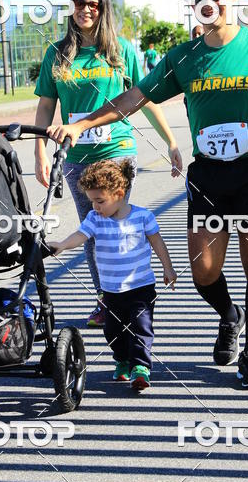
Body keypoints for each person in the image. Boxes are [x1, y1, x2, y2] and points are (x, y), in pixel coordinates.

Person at [48, 0, 248, 390]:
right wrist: (81, 124)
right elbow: (134, 97)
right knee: (203, 272)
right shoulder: (183, 57)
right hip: (208, 174)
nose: (208, 3)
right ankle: (230, 315)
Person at [33, 0, 181, 328]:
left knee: (113, 224)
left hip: (117, 151)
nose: (85, 10)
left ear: (103, 10)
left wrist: (171, 141)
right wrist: (40, 153)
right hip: (76, 156)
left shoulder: (121, 51)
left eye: (93, 4)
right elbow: (45, 106)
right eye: (79, 3)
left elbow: (144, 98)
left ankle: (128, 296)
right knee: (92, 228)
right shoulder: (57, 53)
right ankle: (106, 299)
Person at [48, 159, 177, 391]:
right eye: (92, 201)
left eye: (100, 201)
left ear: (119, 194)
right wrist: (62, 245)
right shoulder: (95, 219)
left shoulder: (143, 216)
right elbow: (80, 236)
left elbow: (157, 242)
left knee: (141, 327)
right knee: (113, 331)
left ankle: (141, 367)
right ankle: (122, 360)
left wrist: (168, 267)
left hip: (141, 287)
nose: (95, 207)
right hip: (110, 290)